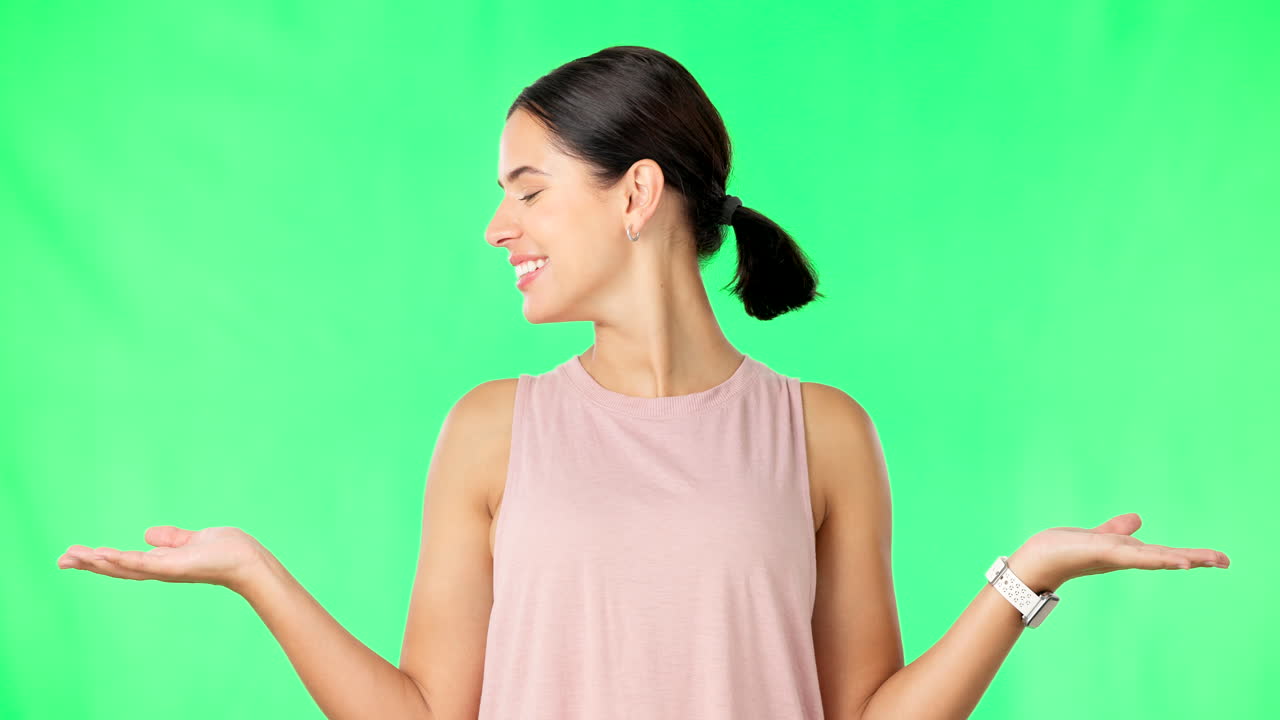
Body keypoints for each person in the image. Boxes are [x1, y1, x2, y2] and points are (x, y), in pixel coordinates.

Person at [58, 45, 1231, 720]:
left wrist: (1028, 576)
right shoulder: (491, 429)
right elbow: (427, 717)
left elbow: (868, 715)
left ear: (633, 196)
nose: (494, 226)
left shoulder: (819, 432)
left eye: (525, 190)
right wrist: (252, 573)